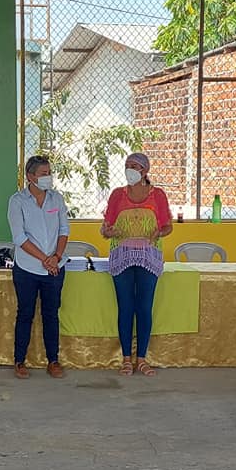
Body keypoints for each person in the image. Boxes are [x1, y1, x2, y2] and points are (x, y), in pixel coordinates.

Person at [100, 152, 173, 376]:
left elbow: (168, 226)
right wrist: (108, 231)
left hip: (147, 256)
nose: (129, 169)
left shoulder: (157, 195)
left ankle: (141, 358)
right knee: (125, 307)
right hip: (122, 256)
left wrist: (159, 233)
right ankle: (125, 359)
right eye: (127, 165)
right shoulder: (117, 195)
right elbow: (105, 228)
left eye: (134, 165)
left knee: (144, 307)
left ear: (145, 170)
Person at [7, 155, 70, 379]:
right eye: (44, 174)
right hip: (27, 268)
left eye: (49, 173)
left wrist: (56, 257)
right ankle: (19, 360)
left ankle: (53, 360)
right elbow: (19, 237)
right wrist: (45, 259)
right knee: (25, 314)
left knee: (51, 314)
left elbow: (64, 230)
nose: (48, 177)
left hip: (54, 268)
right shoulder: (17, 201)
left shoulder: (56, 199)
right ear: (30, 176)